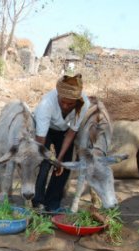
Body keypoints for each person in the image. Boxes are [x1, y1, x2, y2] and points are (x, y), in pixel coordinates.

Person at [32, 74, 91, 212]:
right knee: (44, 164)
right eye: (62, 102)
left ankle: (52, 203)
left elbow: (71, 133)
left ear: (77, 101)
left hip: (64, 131)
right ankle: (38, 202)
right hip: (43, 131)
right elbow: (40, 140)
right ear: (57, 95)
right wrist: (50, 157)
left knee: (64, 165)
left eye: (70, 104)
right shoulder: (46, 104)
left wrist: (59, 160)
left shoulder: (84, 104)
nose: (65, 106)